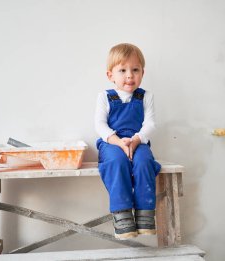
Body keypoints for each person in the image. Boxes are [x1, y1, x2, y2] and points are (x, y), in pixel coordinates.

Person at [95, 43, 161, 240]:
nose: (129, 75)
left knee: (144, 161)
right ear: (110, 75)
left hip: (138, 140)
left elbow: (150, 124)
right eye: (122, 70)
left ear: (142, 72)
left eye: (135, 70)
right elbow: (99, 125)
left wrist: (136, 140)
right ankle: (122, 212)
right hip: (112, 143)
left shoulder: (146, 96)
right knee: (116, 162)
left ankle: (145, 211)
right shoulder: (105, 97)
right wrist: (118, 142)